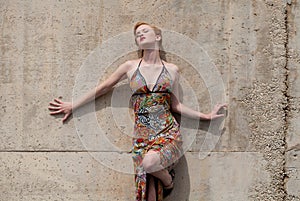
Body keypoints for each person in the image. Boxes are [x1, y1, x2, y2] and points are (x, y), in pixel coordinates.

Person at [48, 22, 227, 201]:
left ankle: (168, 182)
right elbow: (103, 88)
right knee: (148, 196)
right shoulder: (130, 67)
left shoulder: (172, 70)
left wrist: (206, 116)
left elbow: (176, 105)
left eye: (145, 31)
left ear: (157, 37)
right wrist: (73, 105)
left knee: (149, 164)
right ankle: (165, 183)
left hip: (167, 131)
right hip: (142, 134)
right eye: (137, 34)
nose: (140, 35)